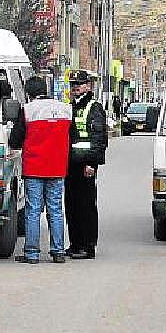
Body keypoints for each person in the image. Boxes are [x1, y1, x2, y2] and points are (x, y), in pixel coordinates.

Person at [8, 76, 72, 264]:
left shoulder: (27, 110)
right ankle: (58, 251)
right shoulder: (65, 109)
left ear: (28, 93)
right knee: (56, 210)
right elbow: (72, 136)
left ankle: (32, 254)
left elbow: (15, 140)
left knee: (33, 210)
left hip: (34, 168)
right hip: (57, 168)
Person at [65, 69, 109, 259]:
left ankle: (88, 246)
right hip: (70, 165)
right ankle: (75, 244)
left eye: (79, 84)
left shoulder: (94, 107)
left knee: (86, 206)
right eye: (73, 85)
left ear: (88, 86)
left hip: (85, 165)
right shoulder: (70, 107)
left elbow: (99, 138)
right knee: (71, 205)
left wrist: (92, 163)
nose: (75, 88)